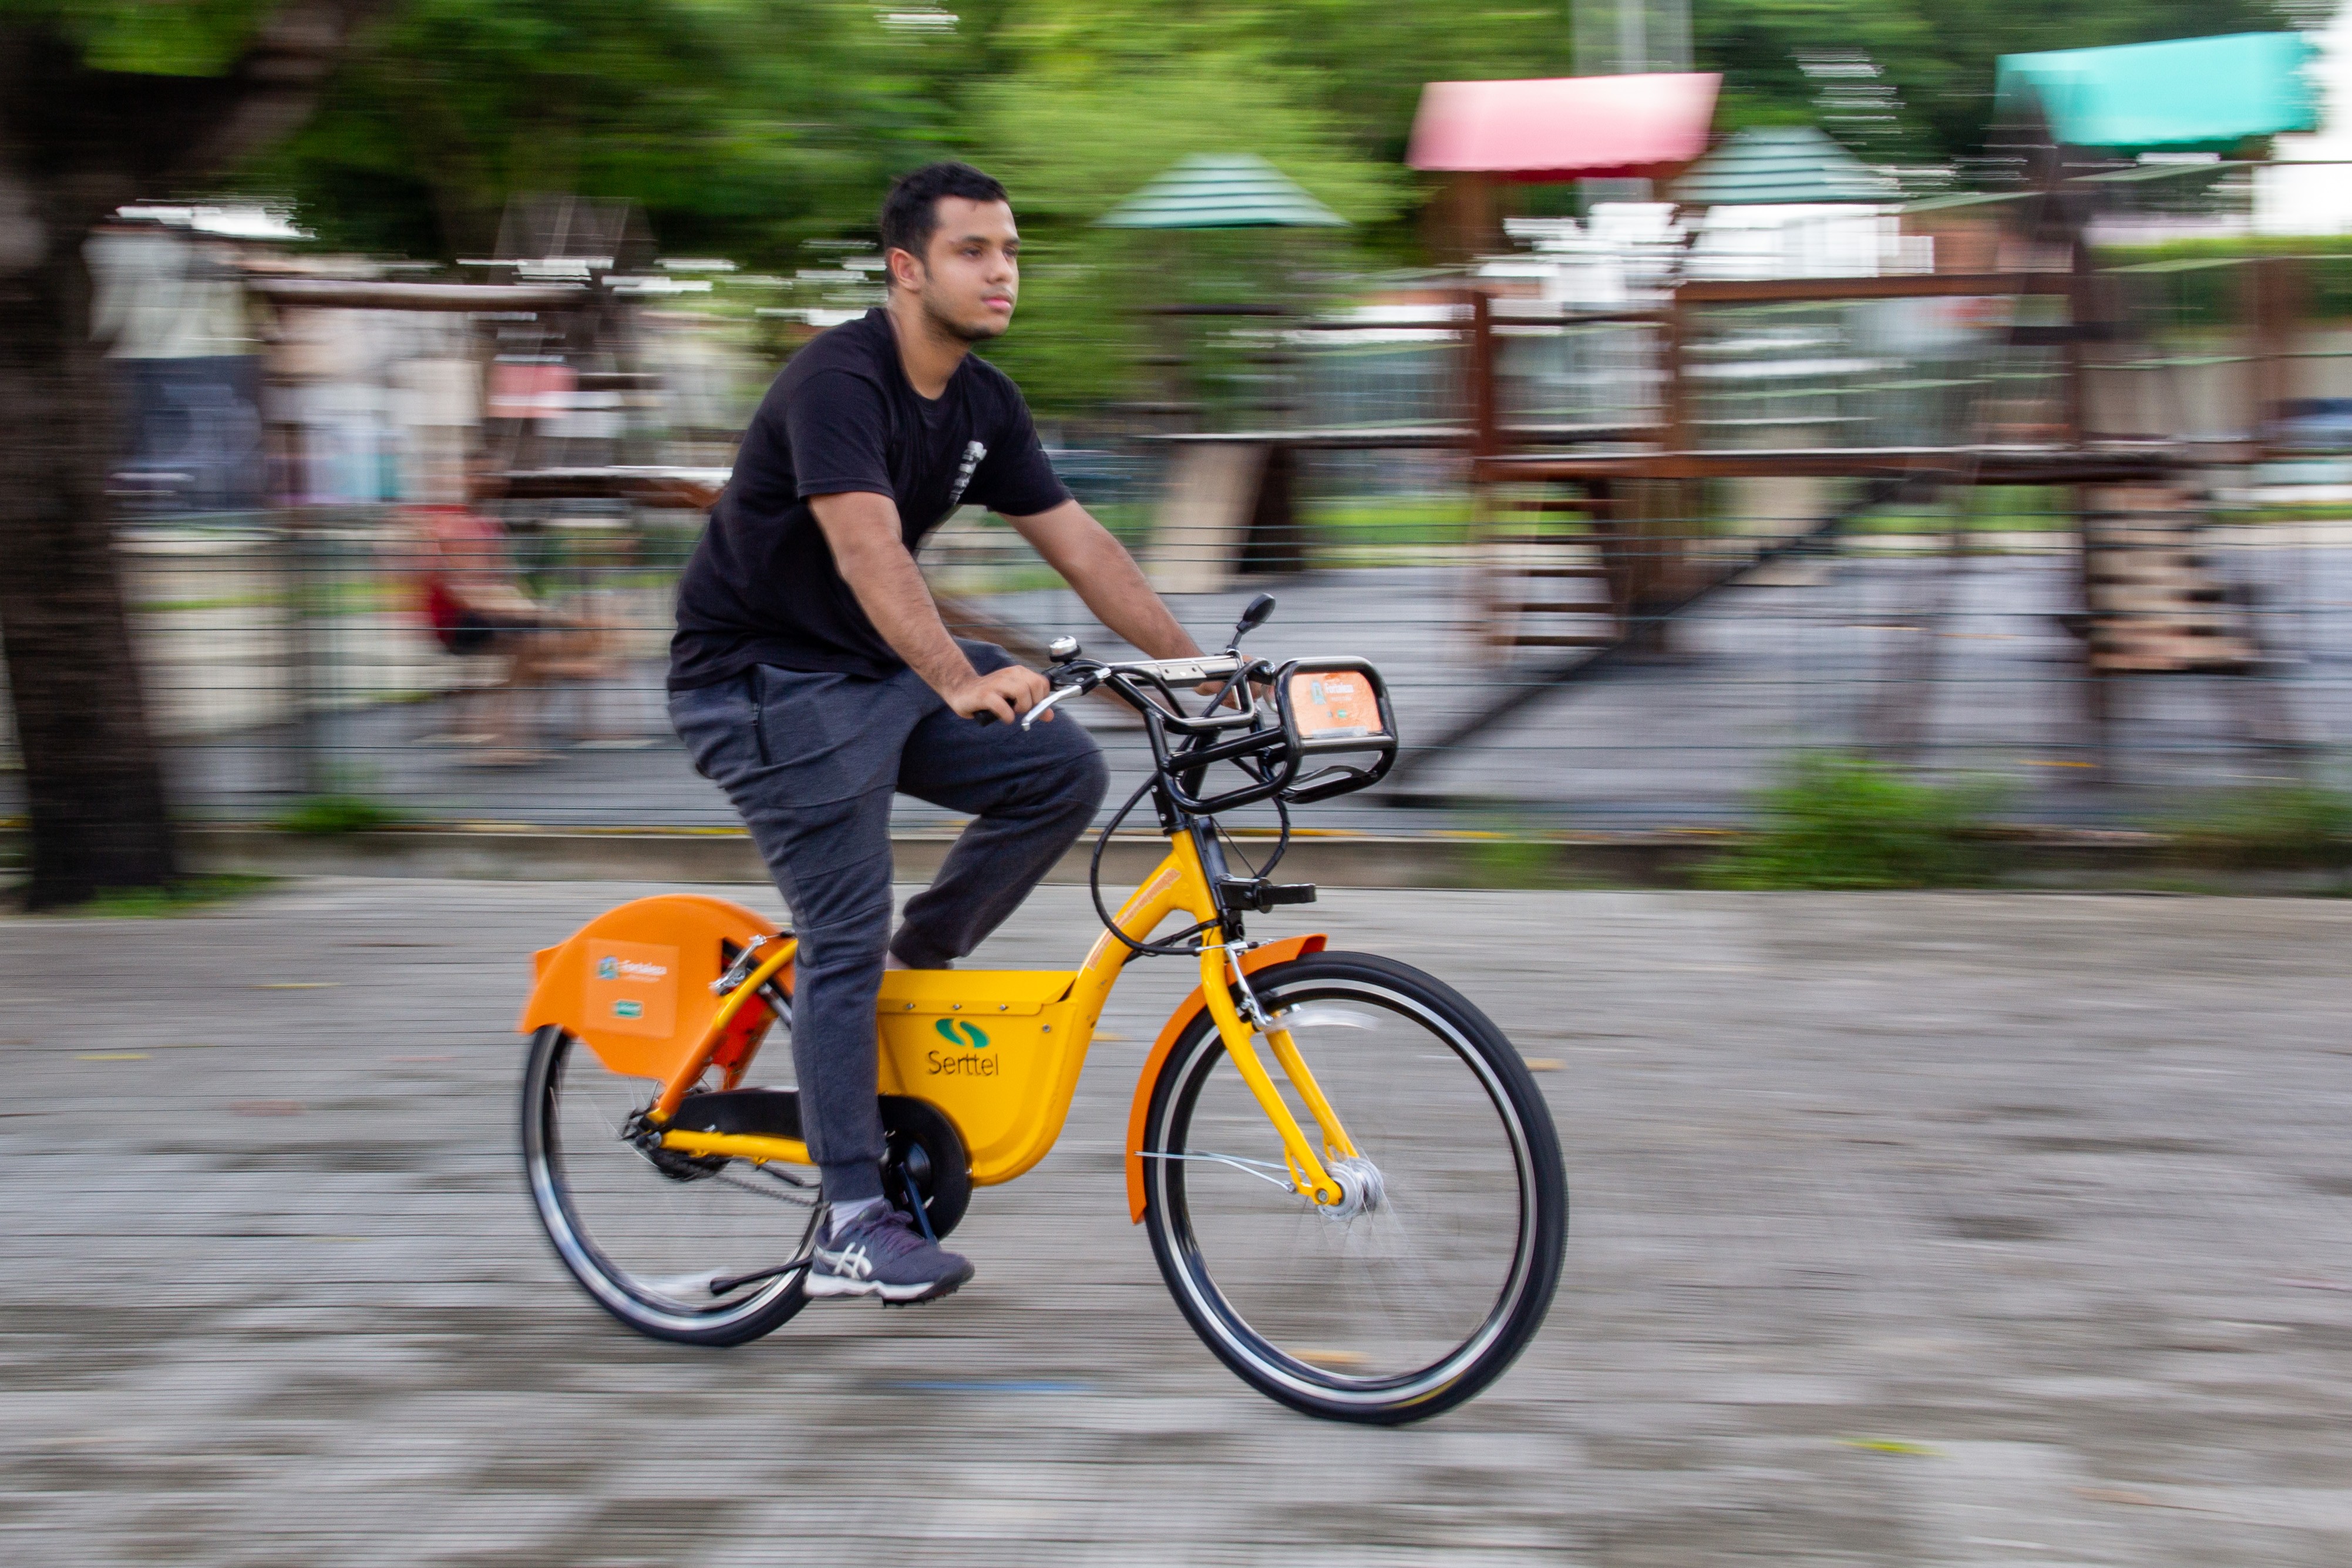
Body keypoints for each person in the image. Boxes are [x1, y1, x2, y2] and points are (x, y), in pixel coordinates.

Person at [666, 162, 1210, 1303]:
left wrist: (1190, 664)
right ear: (905, 268)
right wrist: (958, 674)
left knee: (1057, 768)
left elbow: (1079, 543)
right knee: (839, 925)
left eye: (1010, 250)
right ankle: (850, 1220)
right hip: (761, 685)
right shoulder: (839, 381)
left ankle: (913, 966)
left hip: (865, 679)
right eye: (973, 251)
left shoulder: (983, 404)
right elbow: (868, 550)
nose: (1001, 271)